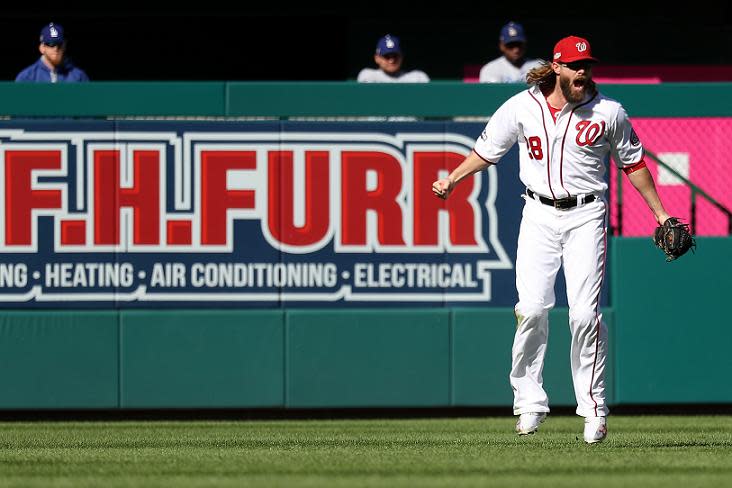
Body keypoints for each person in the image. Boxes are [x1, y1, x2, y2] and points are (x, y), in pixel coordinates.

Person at [432, 36, 672, 443]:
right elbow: (488, 151)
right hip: (538, 214)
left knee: (583, 315)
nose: (583, 71)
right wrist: (453, 178)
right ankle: (528, 403)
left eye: (588, 64)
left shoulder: (608, 112)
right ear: (557, 67)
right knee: (531, 309)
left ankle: (593, 410)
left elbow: (634, 164)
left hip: (586, 214)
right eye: (575, 65)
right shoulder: (522, 106)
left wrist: (661, 214)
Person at [15, 22, 89, 83]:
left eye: (59, 44)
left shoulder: (79, 77)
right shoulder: (27, 77)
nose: (55, 48)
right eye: (51, 44)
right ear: (42, 48)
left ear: (64, 46)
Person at [357, 34, 429, 83]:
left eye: (395, 56)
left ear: (401, 56)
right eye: (386, 56)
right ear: (377, 58)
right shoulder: (369, 75)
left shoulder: (417, 77)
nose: (392, 60)